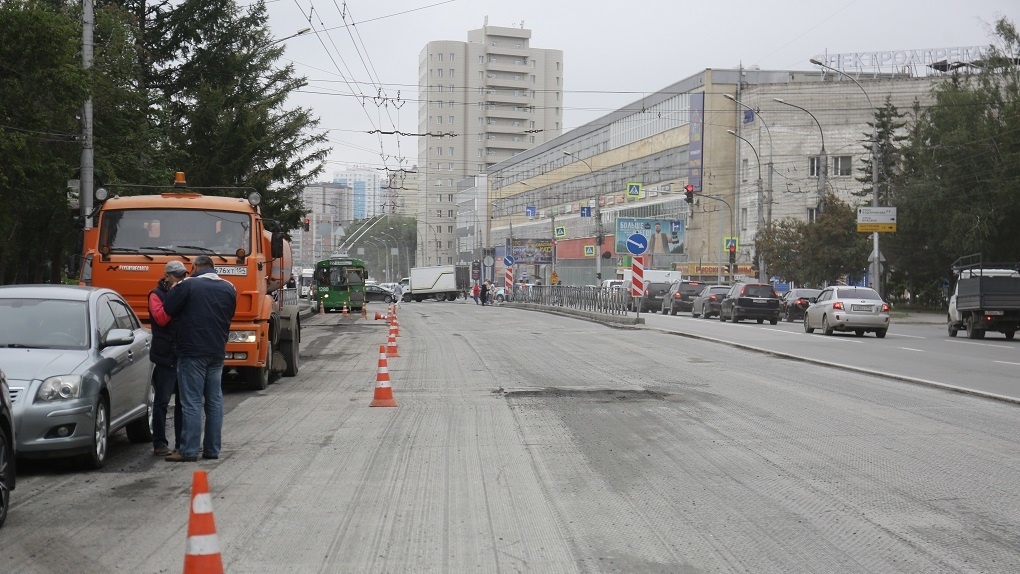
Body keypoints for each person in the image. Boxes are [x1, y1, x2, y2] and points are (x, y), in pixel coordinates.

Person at [161, 255, 237, 462]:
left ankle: (189, 450)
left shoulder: (188, 285)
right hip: (217, 350)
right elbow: (229, 314)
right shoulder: (228, 287)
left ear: (194, 267)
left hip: (192, 351)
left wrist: (172, 287)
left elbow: (168, 308)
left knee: (192, 401)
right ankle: (212, 450)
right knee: (214, 400)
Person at [147, 261, 186, 456]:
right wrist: (174, 298)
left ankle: (181, 443)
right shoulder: (156, 295)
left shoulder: (183, 292)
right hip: (165, 355)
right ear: (167, 276)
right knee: (162, 401)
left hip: (182, 354)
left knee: (182, 403)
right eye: (176, 276)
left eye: (182, 276)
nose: (180, 280)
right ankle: (159, 443)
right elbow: (161, 318)